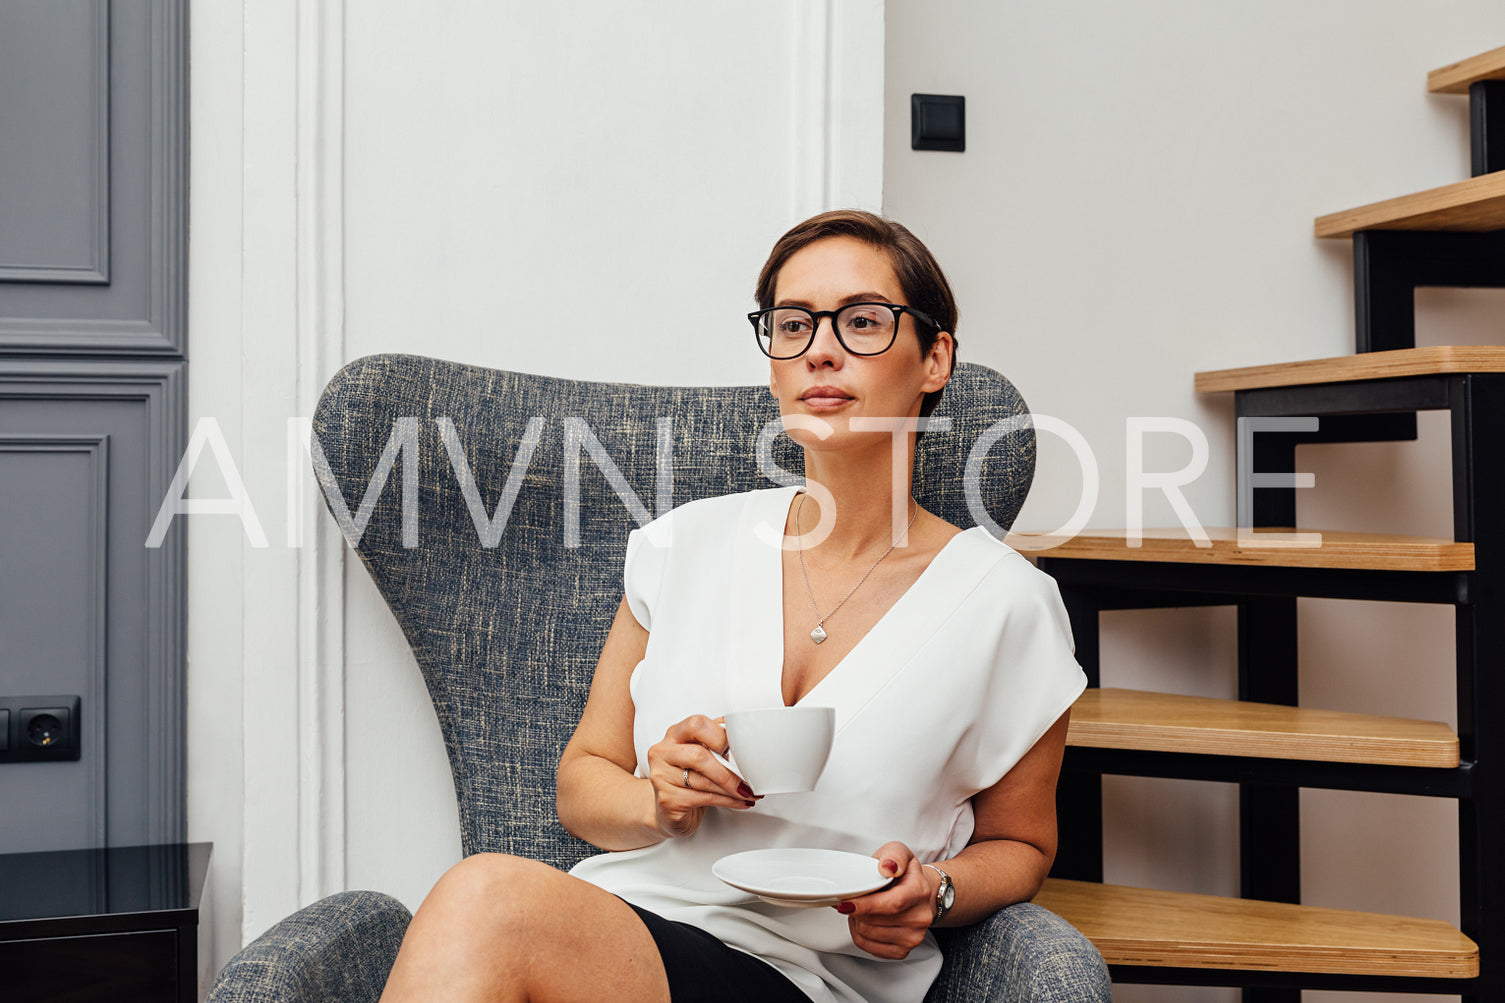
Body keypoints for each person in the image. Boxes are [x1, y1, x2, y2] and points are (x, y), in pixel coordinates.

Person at [378, 210, 1087, 1003]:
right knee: (487, 907)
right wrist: (659, 799)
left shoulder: (1007, 604)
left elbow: (1020, 843)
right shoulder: (683, 545)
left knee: (485, 898)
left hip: (804, 972)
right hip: (614, 932)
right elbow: (582, 782)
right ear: (775, 365)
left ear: (934, 357)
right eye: (793, 324)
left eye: (861, 320)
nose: (820, 347)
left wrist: (935, 890)